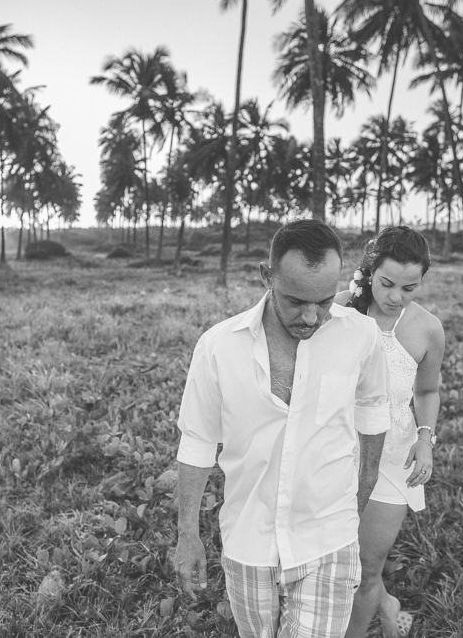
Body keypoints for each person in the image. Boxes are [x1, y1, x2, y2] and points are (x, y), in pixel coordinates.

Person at [174, 219, 393, 638]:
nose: (311, 317)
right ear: (266, 276)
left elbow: (372, 413)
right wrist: (188, 535)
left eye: (325, 302)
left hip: (329, 538)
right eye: (295, 301)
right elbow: (198, 442)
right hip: (247, 539)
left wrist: (357, 500)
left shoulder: (360, 336)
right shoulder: (218, 347)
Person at [338, 226, 445, 638]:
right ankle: (388, 604)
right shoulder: (341, 310)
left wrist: (425, 439)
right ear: (369, 271)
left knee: (367, 567)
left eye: (409, 287)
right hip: (337, 450)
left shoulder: (427, 329)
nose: (395, 296)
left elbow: (428, 389)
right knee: (335, 559)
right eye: (386, 283)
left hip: (393, 457)